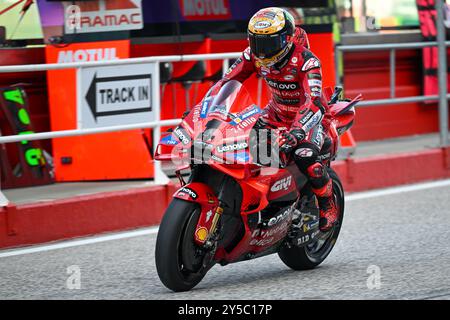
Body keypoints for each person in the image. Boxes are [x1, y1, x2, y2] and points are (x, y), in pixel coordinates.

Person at [216, 7, 338, 231]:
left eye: (269, 43)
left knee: (305, 156)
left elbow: (315, 102)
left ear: (287, 39)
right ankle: (268, 204)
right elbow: (226, 83)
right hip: (276, 113)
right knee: (251, 151)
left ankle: (327, 205)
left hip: (309, 119)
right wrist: (206, 110)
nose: (262, 51)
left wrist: (298, 131)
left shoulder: (307, 62)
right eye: (257, 42)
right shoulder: (251, 55)